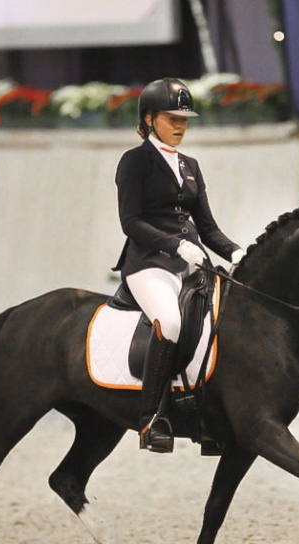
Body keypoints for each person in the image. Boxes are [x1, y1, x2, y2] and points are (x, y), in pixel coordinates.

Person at [113, 77, 245, 453]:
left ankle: (205, 415)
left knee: (220, 322)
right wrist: (176, 245)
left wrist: (236, 253)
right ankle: (151, 418)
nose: (181, 125)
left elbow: (208, 227)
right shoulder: (134, 162)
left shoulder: (191, 165)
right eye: (173, 118)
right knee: (170, 322)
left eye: (185, 119)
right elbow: (131, 222)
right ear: (150, 119)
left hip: (192, 264)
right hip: (148, 264)